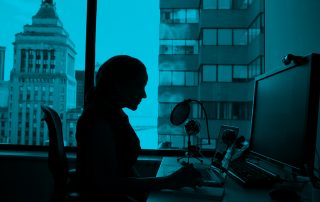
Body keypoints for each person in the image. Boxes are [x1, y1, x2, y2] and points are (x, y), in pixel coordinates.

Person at [75, 55, 203, 201]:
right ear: (118, 85)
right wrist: (169, 182)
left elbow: (124, 168)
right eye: (139, 85)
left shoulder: (113, 115)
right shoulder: (97, 121)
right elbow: (107, 185)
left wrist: (146, 194)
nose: (144, 94)